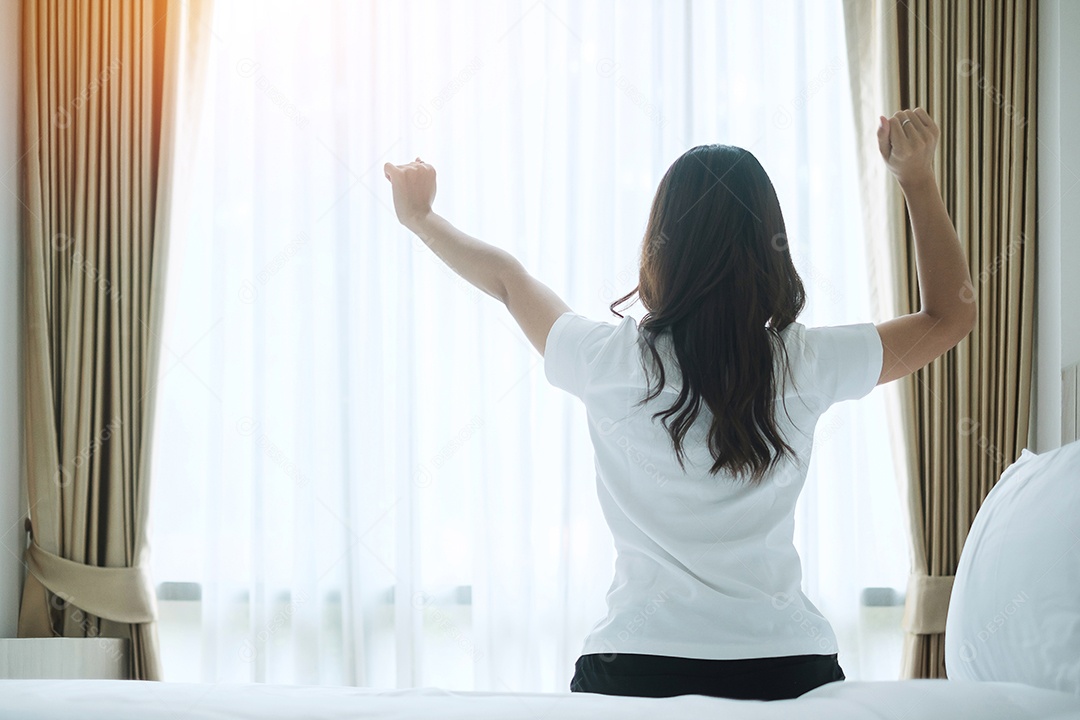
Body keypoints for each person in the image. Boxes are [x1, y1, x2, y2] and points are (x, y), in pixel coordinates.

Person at [383, 107, 975, 701]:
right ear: (769, 248)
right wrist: (916, 180)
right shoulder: (805, 361)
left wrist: (421, 218)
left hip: (635, 666)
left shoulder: (606, 359)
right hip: (785, 667)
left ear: (661, 246)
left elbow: (508, 280)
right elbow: (950, 318)